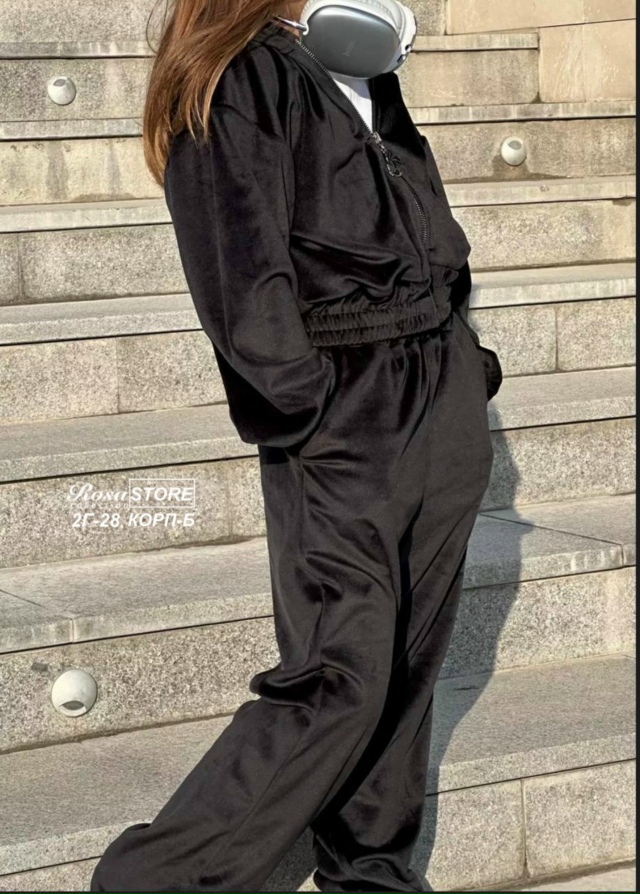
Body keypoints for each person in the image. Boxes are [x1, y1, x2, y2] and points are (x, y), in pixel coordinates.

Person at [90, 1, 503, 891]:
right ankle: (155, 881)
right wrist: (308, 406)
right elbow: (240, 271)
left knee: (406, 666)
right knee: (339, 673)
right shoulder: (237, 76)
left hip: (439, 386)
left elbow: (417, 212)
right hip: (348, 406)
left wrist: (466, 361)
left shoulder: (355, 56)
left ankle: (372, 873)